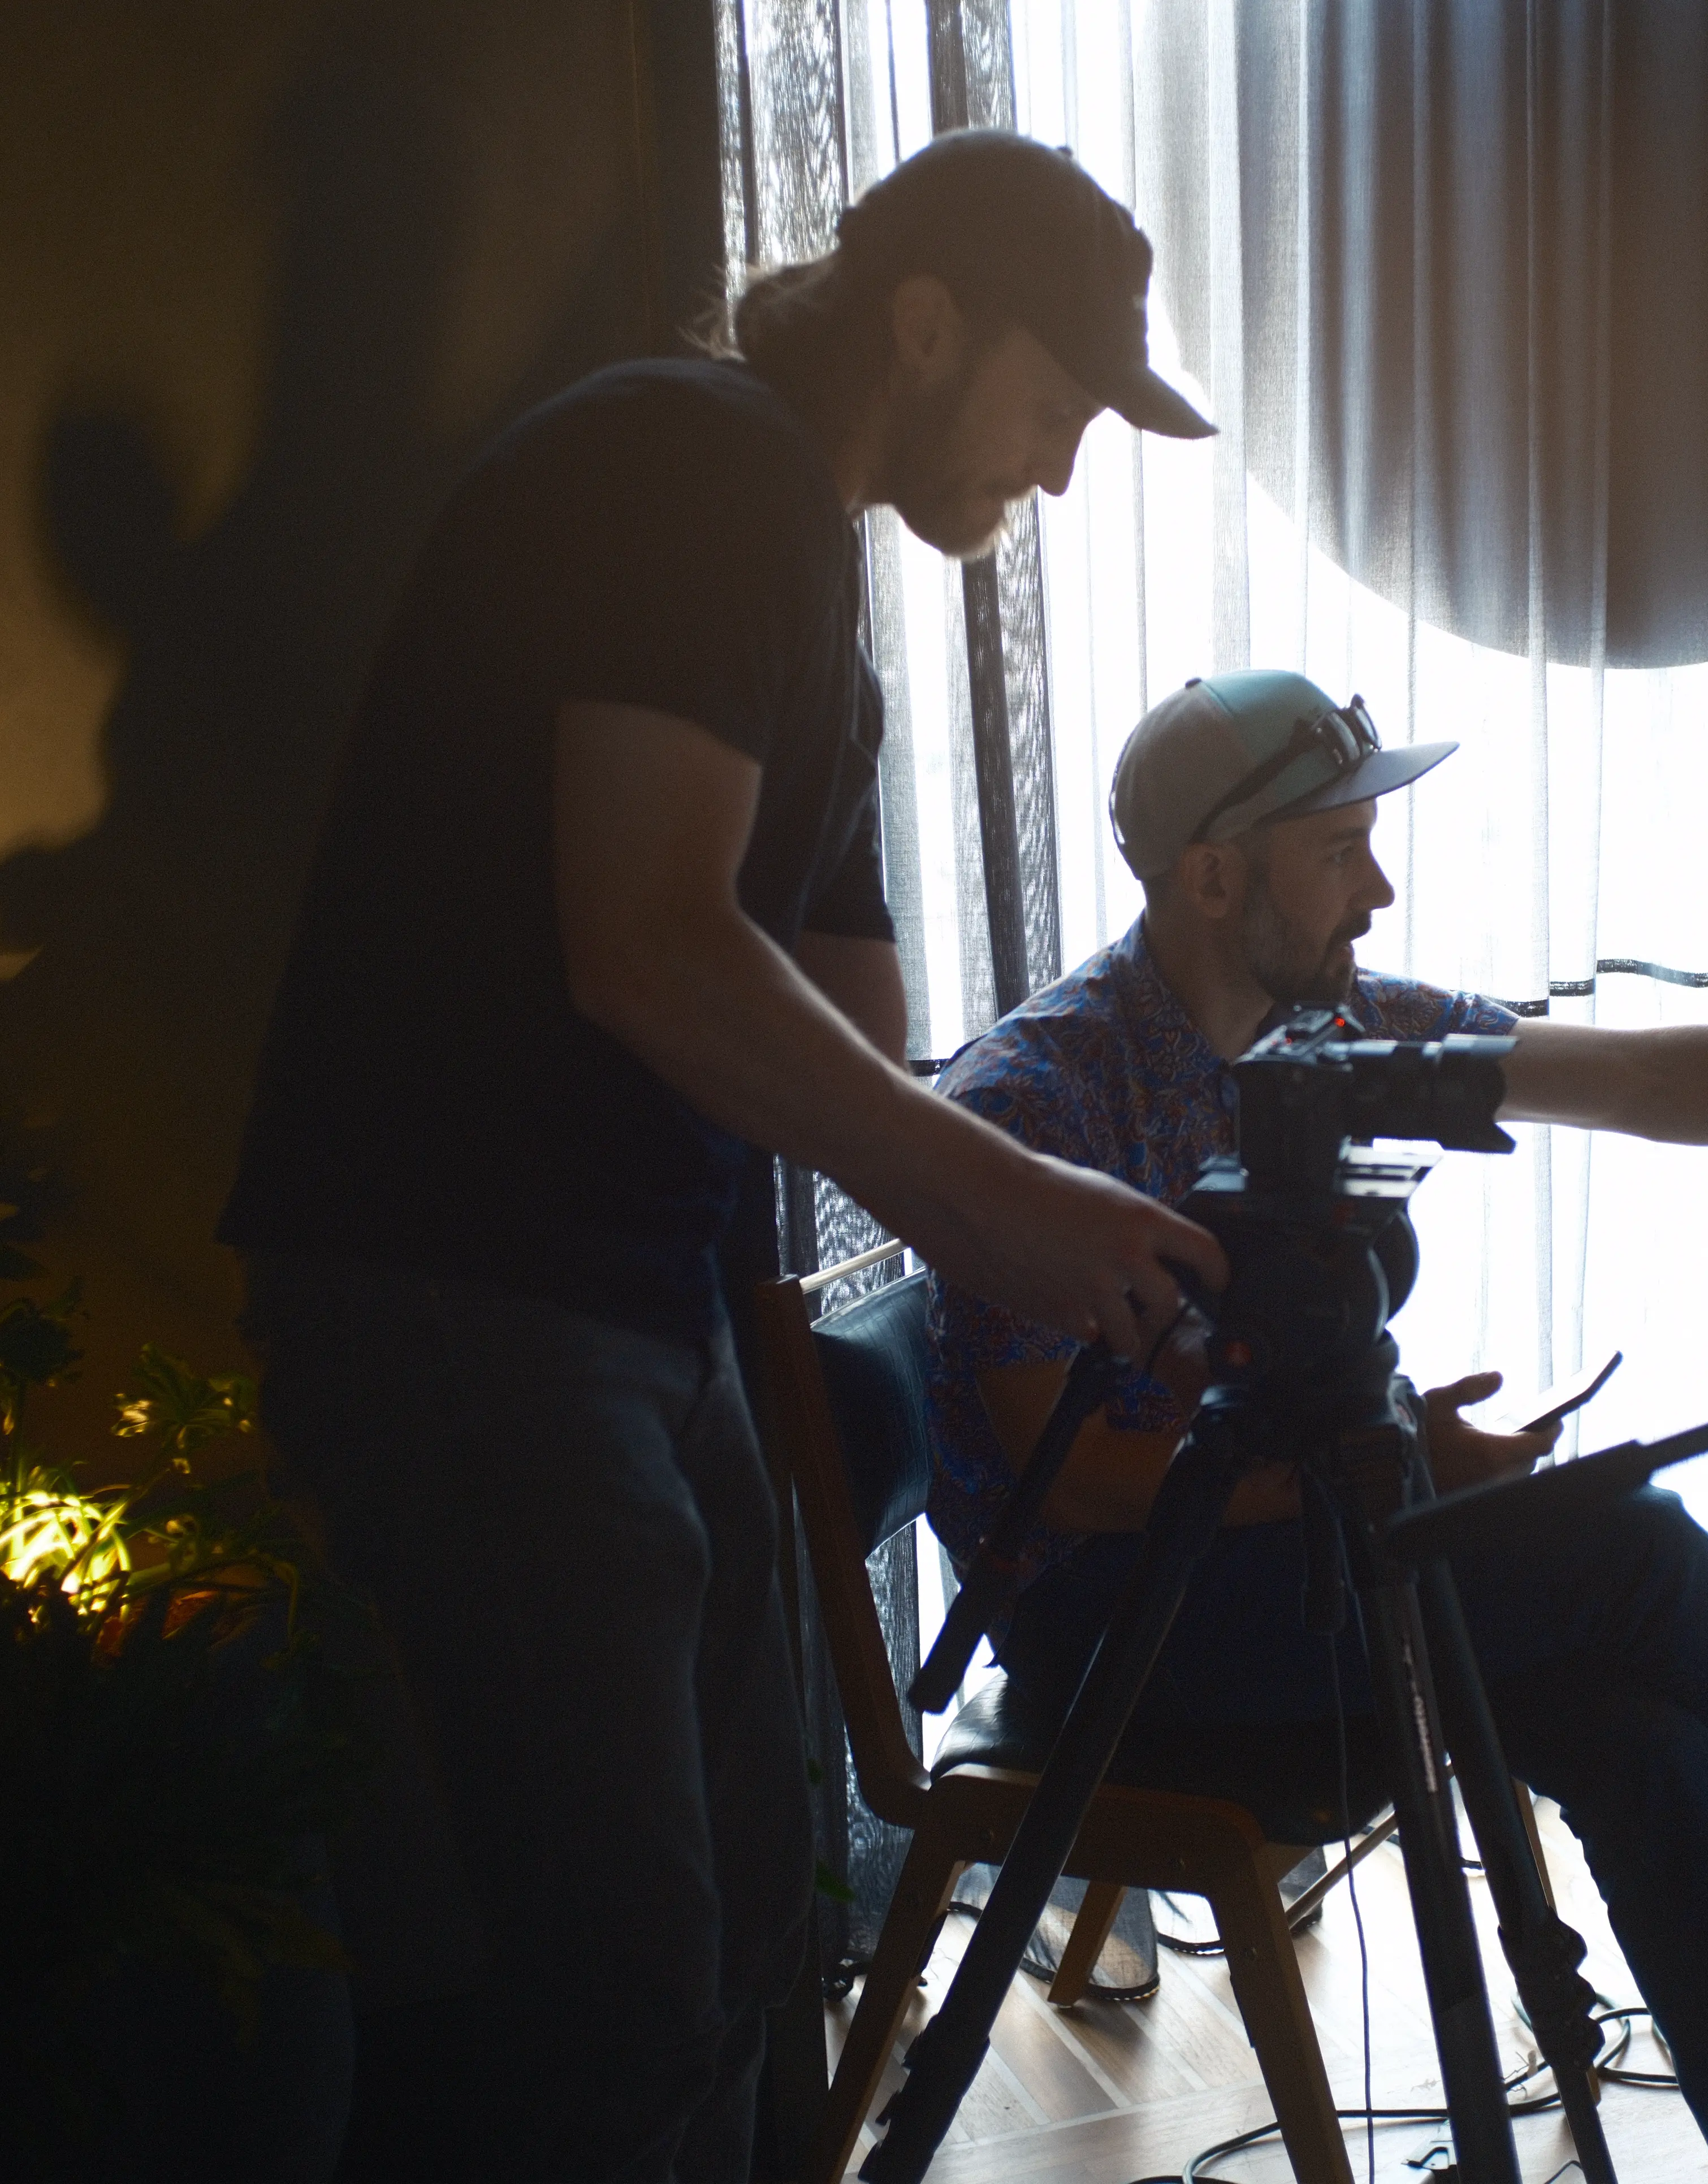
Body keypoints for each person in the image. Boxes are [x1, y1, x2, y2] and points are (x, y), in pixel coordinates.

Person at [218, 132, 1233, 2181]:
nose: (1054, 474)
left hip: (625, 1315)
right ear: (924, 323)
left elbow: (859, 1049)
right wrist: (1007, 1207)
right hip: (460, 1306)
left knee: (755, 1941)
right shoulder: (696, 469)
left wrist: (1075, 1202)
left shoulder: (806, 599)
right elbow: (653, 947)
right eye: (1051, 407)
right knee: (603, 1986)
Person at [926, 670, 1708, 2184]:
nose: (1380, 886)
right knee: (1627, 1544)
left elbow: (1640, 1078)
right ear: (1211, 877)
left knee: (1646, 1747)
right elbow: (1073, 1481)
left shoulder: (1331, 1033)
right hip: (1122, 1638)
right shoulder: (1033, 1098)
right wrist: (1382, 1474)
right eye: (1338, 849)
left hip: (1304, 1564)